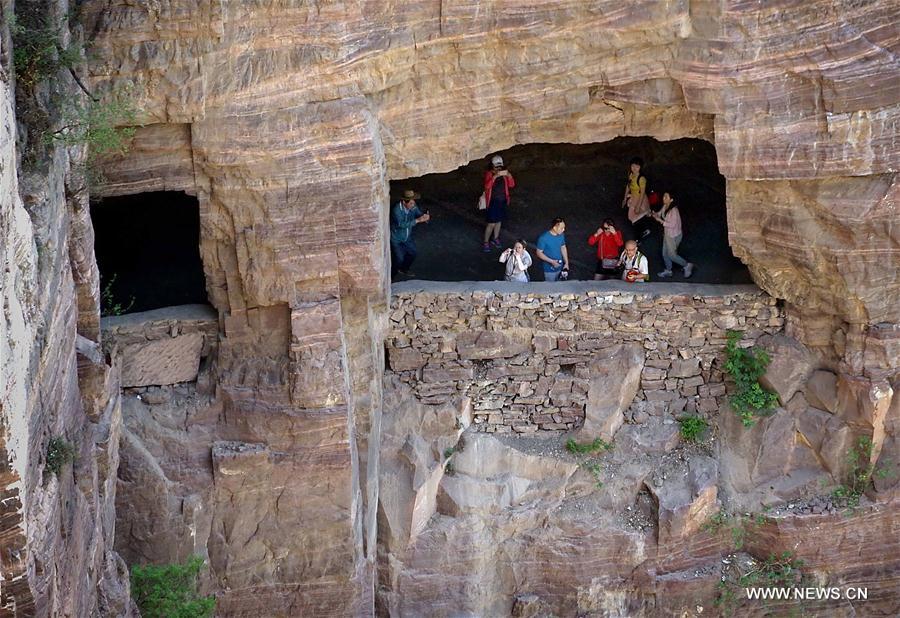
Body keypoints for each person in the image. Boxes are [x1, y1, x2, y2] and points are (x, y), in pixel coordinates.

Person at [651, 191, 694, 278]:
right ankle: (668, 270)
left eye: (666, 197)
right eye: (664, 196)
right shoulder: (665, 206)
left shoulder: (674, 211)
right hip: (667, 234)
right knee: (664, 253)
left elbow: (672, 225)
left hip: (674, 236)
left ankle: (687, 265)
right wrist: (654, 214)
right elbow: (659, 214)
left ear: (671, 199)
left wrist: (659, 220)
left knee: (672, 255)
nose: (664, 198)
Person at [390, 189, 430, 278]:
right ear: (404, 202)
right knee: (399, 259)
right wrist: (417, 220)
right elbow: (401, 225)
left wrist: (424, 217)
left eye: (414, 202)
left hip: (407, 237)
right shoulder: (396, 210)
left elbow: (418, 214)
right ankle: (391, 276)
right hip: (396, 239)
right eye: (411, 203)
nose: (413, 205)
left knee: (413, 253)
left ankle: (404, 269)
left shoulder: (413, 206)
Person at [482, 155, 516, 252]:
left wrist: (509, 176)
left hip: (502, 200)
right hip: (493, 202)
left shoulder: (505, 174)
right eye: (496, 167)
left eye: (500, 166)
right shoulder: (489, 174)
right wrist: (495, 177)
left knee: (498, 221)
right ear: (492, 166)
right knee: (491, 223)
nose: (498, 168)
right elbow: (487, 186)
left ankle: (495, 238)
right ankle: (486, 242)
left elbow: (512, 185)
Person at [621, 156, 651, 239]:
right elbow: (628, 186)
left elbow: (642, 193)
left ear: (640, 167)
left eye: (637, 166)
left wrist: (638, 205)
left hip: (640, 198)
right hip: (634, 197)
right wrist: (624, 198)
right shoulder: (631, 175)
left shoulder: (641, 179)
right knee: (634, 216)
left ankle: (639, 236)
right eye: (633, 166)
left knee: (636, 216)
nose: (634, 168)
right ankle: (643, 230)